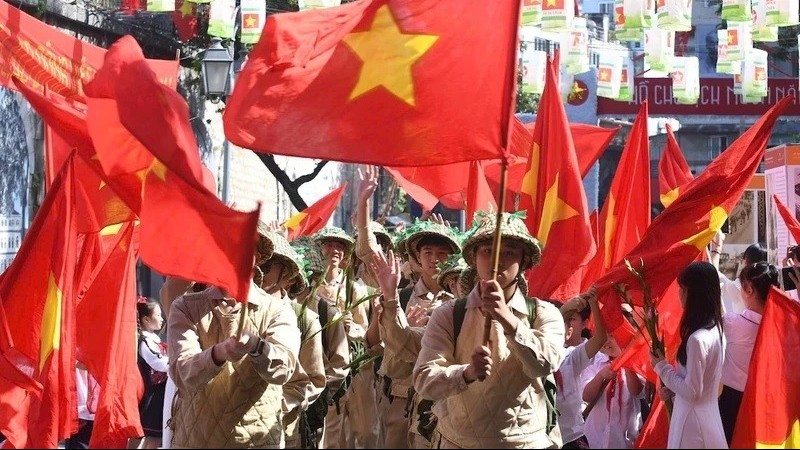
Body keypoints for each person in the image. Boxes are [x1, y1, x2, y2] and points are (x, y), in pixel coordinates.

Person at [411, 211, 565, 448]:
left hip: (524, 443)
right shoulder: (449, 314)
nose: (496, 261)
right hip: (458, 442)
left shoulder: (544, 314)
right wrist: (466, 373)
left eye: (509, 252)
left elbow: (544, 365)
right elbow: (424, 380)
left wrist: (508, 320)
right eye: (487, 251)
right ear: (473, 258)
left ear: (524, 261)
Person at [167, 246, 301, 449]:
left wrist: (256, 346)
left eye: (244, 245)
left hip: (257, 441)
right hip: (197, 439)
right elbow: (182, 372)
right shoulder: (186, 307)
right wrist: (218, 353)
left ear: (257, 257)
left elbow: (284, 369)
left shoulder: (278, 309)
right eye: (226, 245)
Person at [257, 230, 327, 449]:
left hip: (281, 428)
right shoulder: (235, 309)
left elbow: (314, 380)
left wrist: (273, 406)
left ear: (286, 274)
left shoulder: (304, 319)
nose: (258, 271)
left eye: (266, 266)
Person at [650, 261, 727, 449]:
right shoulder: (716, 329)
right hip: (707, 416)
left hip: (692, 424)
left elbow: (692, 392)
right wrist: (673, 386)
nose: (679, 294)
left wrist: (662, 367)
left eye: (683, 289)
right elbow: (696, 384)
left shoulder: (697, 339)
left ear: (694, 294)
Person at [718, 262, 778, 445]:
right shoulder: (780, 326)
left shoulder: (733, 323)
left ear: (749, 290)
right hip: (766, 402)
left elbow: (719, 318)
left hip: (732, 401)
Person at [555, 288, 606, 449]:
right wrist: (563, 311)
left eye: (560, 327)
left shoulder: (571, 357)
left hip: (571, 437)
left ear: (568, 332)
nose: (553, 332)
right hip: (543, 439)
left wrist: (593, 304)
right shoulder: (532, 357)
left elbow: (600, 339)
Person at [582, 335, 644, 449]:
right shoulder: (595, 363)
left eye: (612, 336)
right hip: (595, 438)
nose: (606, 341)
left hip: (625, 440)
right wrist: (600, 375)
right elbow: (586, 396)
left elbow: (637, 391)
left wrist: (626, 362)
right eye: (603, 336)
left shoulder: (636, 363)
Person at [135, 297, 168, 449]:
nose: (162, 319)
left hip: (157, 392)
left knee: (149, 437)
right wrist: (178, 363)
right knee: (153, 437)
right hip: (152, 394)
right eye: (158, 315)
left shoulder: (153, 340)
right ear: (146, 320)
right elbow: (159, 363)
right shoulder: (145, 341)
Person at [710, 232, 767, 314]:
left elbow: (714, 275)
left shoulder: (740, 288)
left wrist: (716, 250)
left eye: (744, 258)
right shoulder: (774, 286)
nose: (741, 262)